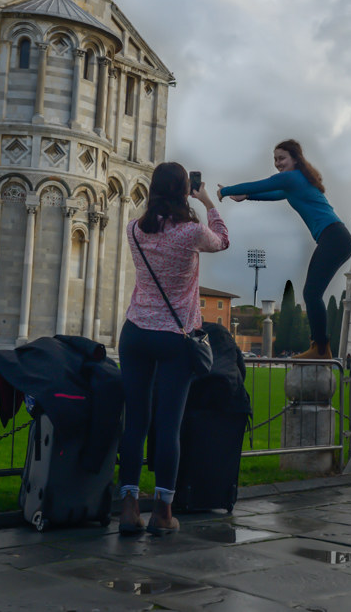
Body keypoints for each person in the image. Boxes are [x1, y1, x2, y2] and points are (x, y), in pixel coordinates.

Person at [117, 162, 229, 535]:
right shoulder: (191, 233)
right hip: (175, 336)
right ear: (184, 191)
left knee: (135, 422)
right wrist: (208, 201)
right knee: (168, 427)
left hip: (135, 331)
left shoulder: (134, 230)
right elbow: (222, 239)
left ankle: (129, 508)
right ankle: (163, 513)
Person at [219, 139, 351, 359]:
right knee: (312, 293)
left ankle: (320, 349)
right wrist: (247, 197)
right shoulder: (296, 183)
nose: (277, 163)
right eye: (275, 159)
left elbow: (262, 184)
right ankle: (321, 348)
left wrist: (226, 190)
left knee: (311, 293)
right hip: (337, 238)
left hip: (334, 237)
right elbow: (274, 194)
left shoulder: (292, 178)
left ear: (295, 158)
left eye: (281, 158)